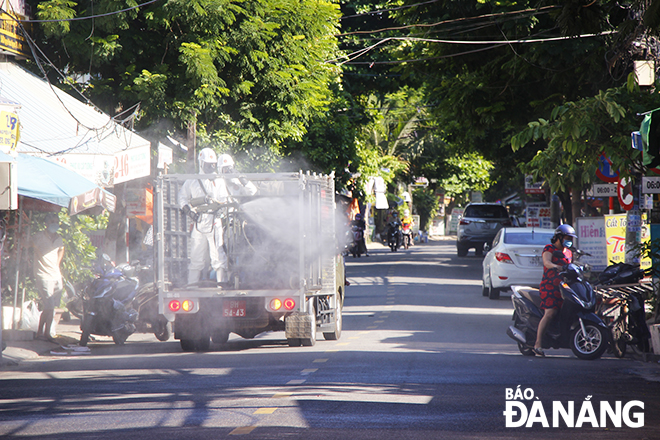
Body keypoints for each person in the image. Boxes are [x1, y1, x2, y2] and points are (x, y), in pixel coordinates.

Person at [179, 148, 224, 285]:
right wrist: (189, 212)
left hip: (214, 221)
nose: (211, 167)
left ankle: (222, 283)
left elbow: (225, 199)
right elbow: (182, 198)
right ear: (201, 163)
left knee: (218, 255)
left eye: (213, 164)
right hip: (198, 221)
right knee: (196, 256)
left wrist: (221, 211)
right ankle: (192, 284)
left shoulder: (219, 180)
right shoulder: (192, 181)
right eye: (208, 164)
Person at [211, 153, 258, 283]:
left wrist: (240, 177)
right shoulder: (216, 183)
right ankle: (222, 280)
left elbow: (252, 191)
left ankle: (238, 275)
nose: (227, 172)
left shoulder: (238, 181)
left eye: (229, 169)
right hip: (221, 221)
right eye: (224, 169)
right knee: (220, 249)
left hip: (237, 223)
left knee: (238, 250)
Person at [533, 224, 575, 357]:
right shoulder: (549, 248)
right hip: (550, 286)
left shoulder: (568, 252)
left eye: (571, 238)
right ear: (559, 237)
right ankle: (538, 344)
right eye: (567, 238)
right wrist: (556, 266)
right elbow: (546, 262)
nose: (569, 241)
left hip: (565, 287)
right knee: (550, 313)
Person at [31, 213, 65, 341]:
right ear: (46, 224)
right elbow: (29, 244)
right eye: (52, 222)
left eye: (56, 222)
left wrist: (58, 263)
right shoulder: (39, 237)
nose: (54, 224)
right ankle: (45, 333)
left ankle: (42, 332)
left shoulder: (59, 238)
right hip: (43, 275)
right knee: (49, 305)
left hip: (56, 275)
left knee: (50, 307)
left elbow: (61, 249)